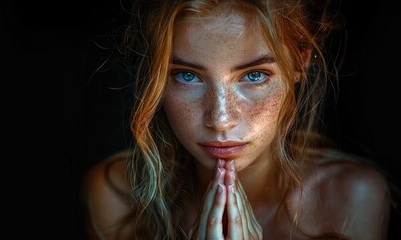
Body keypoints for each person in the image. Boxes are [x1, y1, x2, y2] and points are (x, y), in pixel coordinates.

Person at [81, 0, 394, 239]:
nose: (220, 119)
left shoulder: (350, 199)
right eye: (187, 75)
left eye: (254, 75)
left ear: (301, 61)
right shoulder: (117, 198)